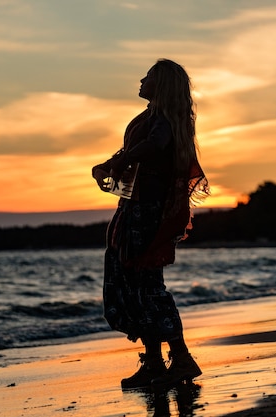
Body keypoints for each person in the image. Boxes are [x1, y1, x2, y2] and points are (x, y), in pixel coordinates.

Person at [91, 59, 209, 389]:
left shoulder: (163, 122)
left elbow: (152, 147)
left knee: (146, 286)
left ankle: (181, 359)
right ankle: (155, 363)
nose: (141, 80)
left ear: (162, 85)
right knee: (136, 285)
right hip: (136, 207)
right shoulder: (158, 119)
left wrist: (119, 160)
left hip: (147, 212)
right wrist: (109, 164)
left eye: (149, 77)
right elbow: (140, 150)